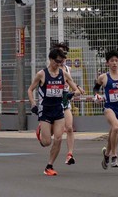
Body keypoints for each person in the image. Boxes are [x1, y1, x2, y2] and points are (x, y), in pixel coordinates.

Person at [28, 46, 80, 177]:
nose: (58, 64)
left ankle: (49, 166)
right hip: (45, 110)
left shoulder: (64, 74)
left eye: (61, 62)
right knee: (47, 142)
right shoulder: (42, 74)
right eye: (57, 61)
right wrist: (33, 104)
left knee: (58, 138)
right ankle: (40, 130)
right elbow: (30, 90)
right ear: (50, 59)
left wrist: (70, 94)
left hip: (58, 110)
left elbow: (77, 89)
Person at [51, 41, 77, 165]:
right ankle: (43, 128)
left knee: (70, 128)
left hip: (65, 100)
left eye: (64, 53)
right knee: (54, 132)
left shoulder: (67, 69)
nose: (61, 57)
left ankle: (69, 154)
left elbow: (70, 81)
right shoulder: (50, 69)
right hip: (53, 100)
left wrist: (77, 89)